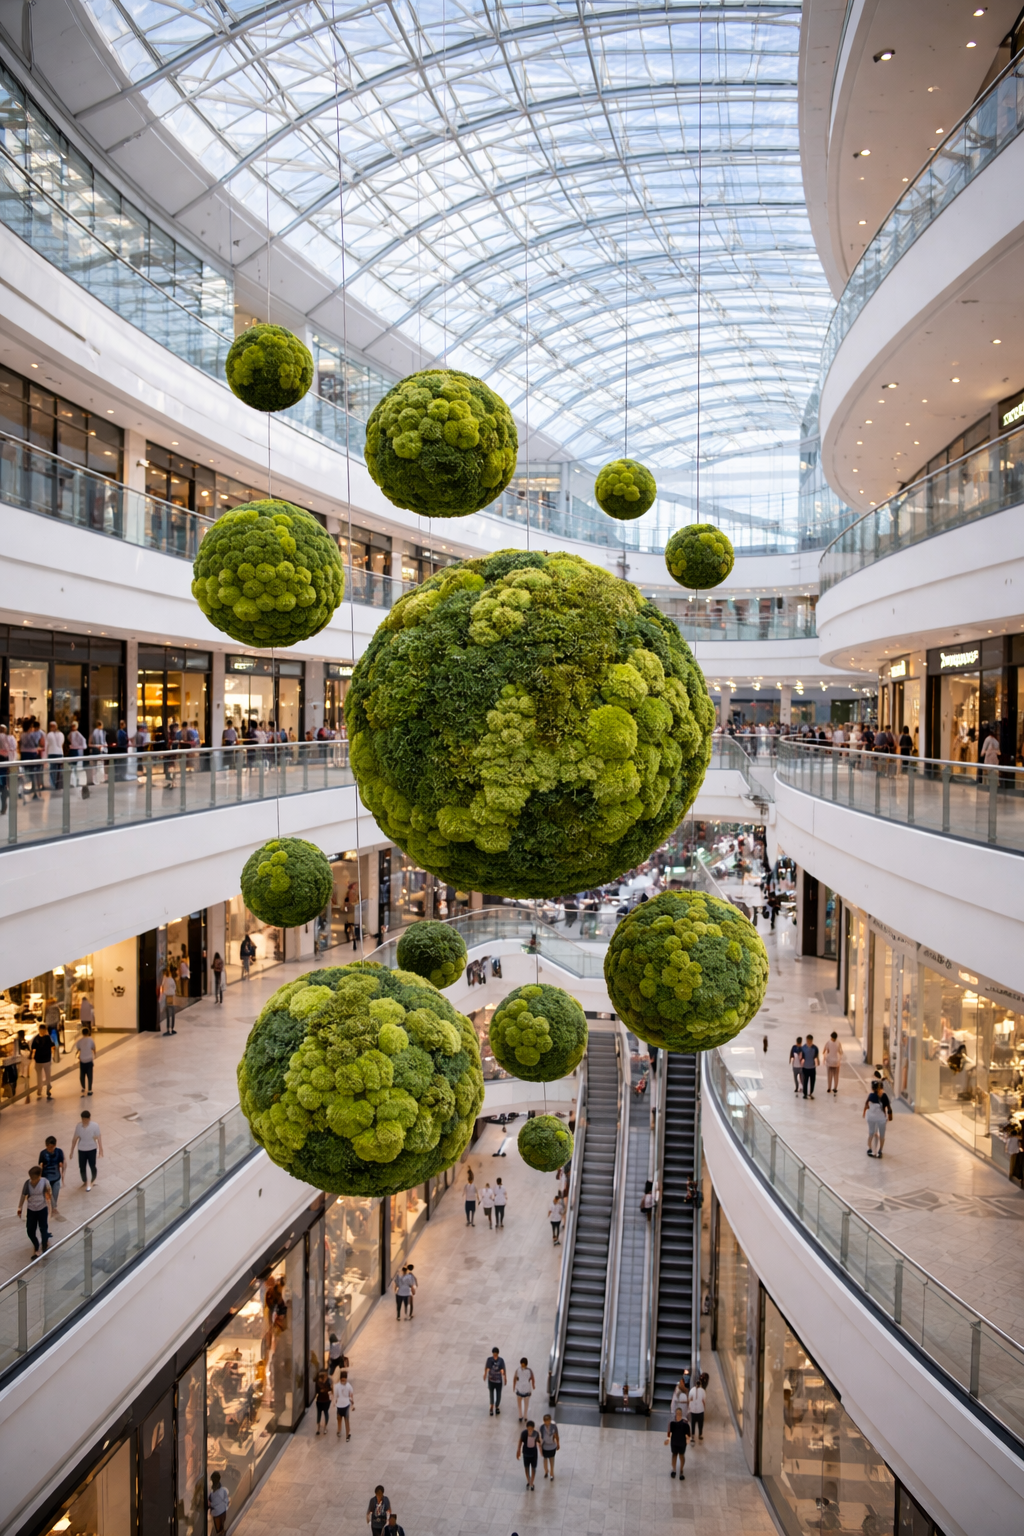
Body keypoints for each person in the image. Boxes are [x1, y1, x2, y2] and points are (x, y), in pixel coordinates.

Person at [18, 1164, 53, 1256]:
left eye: (34, 1177)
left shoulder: (45, 1182)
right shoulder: (27, 1184)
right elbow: (23, 1195)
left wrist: (48, 1194)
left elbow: (49, 1194)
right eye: (31, 1177)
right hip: (31, 1210)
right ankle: (36, 1244)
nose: (32, 1180)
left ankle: (44, 1245)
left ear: (39, 1176)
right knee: (30, 1230)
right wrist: (19, 1207)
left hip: (42, 1209)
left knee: (43, 1229)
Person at [70, 1109, 103, 1190]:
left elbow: (99, 1137)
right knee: (82, 1166)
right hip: (82, 1149)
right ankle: (84, 1180)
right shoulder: (79, 1126)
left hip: (92, 1148)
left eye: (85, 1119)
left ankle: (93, 1179)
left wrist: (101, 1149)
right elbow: (75, 1138)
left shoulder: (95, 1125)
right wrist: (71, 1151)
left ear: (89, 1118)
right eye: (82, 1119)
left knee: (92, 1165)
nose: (84, 1121)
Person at [863, 1082, 892, 1158]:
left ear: (872, 1088)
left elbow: (866, 1105)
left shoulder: (871, 1096)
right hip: (881, 1119)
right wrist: (889, 1116)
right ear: (881, 1088)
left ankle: (870, 1149)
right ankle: (880, 1151)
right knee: (882, 1135)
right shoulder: (884, 1096)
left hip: (871, 1118)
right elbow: (888, 1107)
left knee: (871, 1133)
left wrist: (864, 1113)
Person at [38, 1136, 65, 1215]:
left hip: (56, 1177)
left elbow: (61, 1162)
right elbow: (40, 1164)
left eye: (51, 1147)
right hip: (46, 1178)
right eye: (48, 1147)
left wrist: (61, 1165)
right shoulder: (43, 1153)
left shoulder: (59, 1151)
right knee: (49, 1194)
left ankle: (53, 1207)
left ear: (55, 1145)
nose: (50, 1149)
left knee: (55, 1193)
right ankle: (51, 1207)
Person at [29, 1022, 54, 1100]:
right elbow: (52, 1046)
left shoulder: (36, 1038)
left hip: (39, 1060)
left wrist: (32, 1056)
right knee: (47, 1075)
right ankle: (47, 1088)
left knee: (39, 1076)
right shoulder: (47, 1038)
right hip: (46, 1059)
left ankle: (40, 1090)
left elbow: (33, 1048)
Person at [665, 1407, 690, 1478]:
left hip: (682, 1442)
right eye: (677, 1413)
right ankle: (674, 1470)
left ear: (681, 1414)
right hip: (674, 1442)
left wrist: (688, 1440)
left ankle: (681, 1471)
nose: (678, 1415)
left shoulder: (685, 1423)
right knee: (674, 1455)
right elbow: (669, 1432)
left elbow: (688, 1433)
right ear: (675, 1414)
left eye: (680, 1413)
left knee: (681, 1456)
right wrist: (668, 1439)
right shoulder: (672, 1423)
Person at [518, 1420, 540, 1489]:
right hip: (526, 1453)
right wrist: (518, 1450)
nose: (530, 1430)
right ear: (526, 1428)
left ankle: (532, 1482)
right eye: (528, 1429)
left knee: (533, 1468)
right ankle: (528, 1480)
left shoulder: (535, 1433)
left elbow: (538, 1441)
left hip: (533, 1454)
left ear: (533, 1428)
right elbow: (520, 1441)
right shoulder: (524, 1433)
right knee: (526, 1467)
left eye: (531, 1429)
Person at [484, 1347, 506, 1414]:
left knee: (498, 1394)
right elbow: (487, 1367)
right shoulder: (489, 1360)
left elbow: (503, 1369)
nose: (495, 1355)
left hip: (498, 1381)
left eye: (496, 1354)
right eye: (494, 1354)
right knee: (491, 1393)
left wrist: (505, 1377)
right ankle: (491, 1406)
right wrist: (485, 1374)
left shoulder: (501, 1360)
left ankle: (497, 1406)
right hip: (491, 1380)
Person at [75, 1025, 97, 1095]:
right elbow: (93, 1048)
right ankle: (90, 1090)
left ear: (82, 1033)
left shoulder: (79, 1041)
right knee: (89, 1075)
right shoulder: (91, 1040)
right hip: (89, 1060)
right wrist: (94, 1054)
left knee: (82, 1075)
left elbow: (78, 1048)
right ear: (88, 1032)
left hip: (82, 1060)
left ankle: (83, 1087)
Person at [334, 1370, 354, 1439]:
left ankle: (348, 1433)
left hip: (346, 1405)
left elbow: (351, 1394)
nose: (343, 1381)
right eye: (342, 1379)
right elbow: (336, 1395)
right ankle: (339, 1430)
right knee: (339, 1418)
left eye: (344, 1379)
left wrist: (352, 1404)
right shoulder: (337, 1386)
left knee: (346, 1419)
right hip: (339, 1405)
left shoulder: (348, 1386)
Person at [822, 1031, 844, 1096]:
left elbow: (824, 1051)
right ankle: (835, 1088)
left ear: (831, 1037)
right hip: (836, 1062)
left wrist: (826, 1056)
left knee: (829, 1075)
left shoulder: (828, 1042)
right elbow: (841, 1052)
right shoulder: (838, 1043)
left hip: (829, 1062)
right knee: (836, 1075)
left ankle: (829, 1088)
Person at [540, 1413, 560, 1479]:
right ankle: (546, 1471)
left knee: (552, 1459)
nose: (547, 1422)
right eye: (545, 1421)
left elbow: (556, 1435)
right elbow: (541, 1437)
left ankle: (552, 1473)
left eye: (548, 1420)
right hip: (545, 1446)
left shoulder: (554, 1427)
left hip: (552, 1446)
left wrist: (558, 1443)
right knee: (545, 1459)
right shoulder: (542, 1427)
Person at [314, 1368, 332, 1435]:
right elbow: (318, 1391)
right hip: (320, 1400)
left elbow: (329, 1389)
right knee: (320, 1414)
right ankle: (319, 1428)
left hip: (326, 1400)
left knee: (325, 1413)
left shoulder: (327, 1382)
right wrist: (325, 1390)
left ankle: (324, 1427)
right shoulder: (319, 1382)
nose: (325, 1377)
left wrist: (324, 1390)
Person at [160, 968, 178, 1035]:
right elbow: (175, 987)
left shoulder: (164, 979)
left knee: (168, 1014)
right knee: (172, 1013)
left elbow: (162, 987)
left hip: (167, 996)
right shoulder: (171, 979)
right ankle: (172, 1028)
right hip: (172, 997)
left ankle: (168, 1029)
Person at [688, 1376, 706, 1442]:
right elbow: (704, 1400)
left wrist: (689, 1407)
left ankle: (693, 1435)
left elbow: (689, 1399)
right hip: (700, 1410)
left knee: (693, 1423)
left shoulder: (692, 1390)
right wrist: (704, 1408)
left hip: (693, 1410)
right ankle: (700, 1435)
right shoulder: (703, 1391)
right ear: (700, 1384)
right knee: (700, 1423)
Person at [801, 1034, 819, 1099]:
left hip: (812, 1068)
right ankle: (805, 1093)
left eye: (810, 1041)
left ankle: (811, 1093)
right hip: (805, 1067)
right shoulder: (803, 1048)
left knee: (812, 1081)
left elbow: (816, 1057)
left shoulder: (815, 1048)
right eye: (807, 1041)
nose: (808, 1042)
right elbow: (802, 1057)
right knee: (805, 1081)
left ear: (812, 1041)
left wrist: (816, 1063)